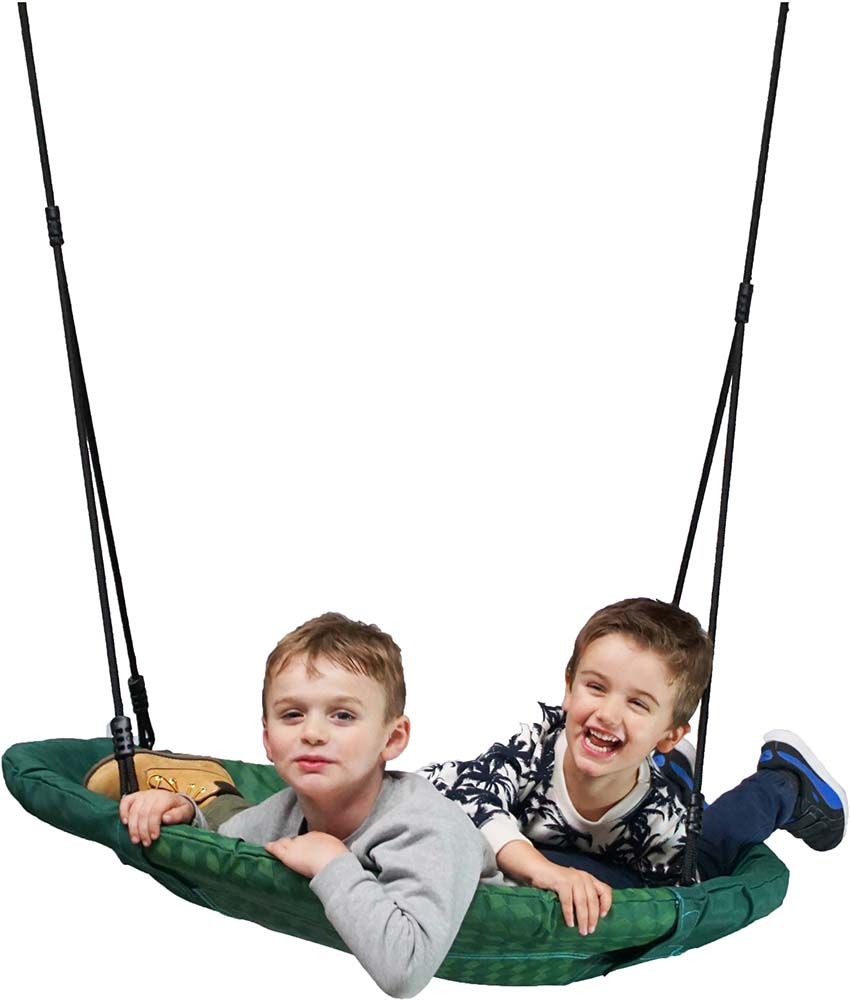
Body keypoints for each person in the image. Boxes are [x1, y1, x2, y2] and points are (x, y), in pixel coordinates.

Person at [114, 612, 501, 999]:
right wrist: (181, 812)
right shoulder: (284, 810)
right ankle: (204, 791)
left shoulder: (429, 829)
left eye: (343, 715)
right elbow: (221, 847)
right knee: (224, 814)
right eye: (292, 715)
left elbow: (406, 970)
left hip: (499, 897)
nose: (312, 733)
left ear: (393, 738)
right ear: (268, 739)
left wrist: (332, 863)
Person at [419, 597, 847, 937]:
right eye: (595, 687)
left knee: (704, 858)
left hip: (636, 819)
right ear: (568, 688)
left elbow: (678, 890)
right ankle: (673, 772)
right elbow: (473, 804)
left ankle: (783, 784)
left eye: (638, 704)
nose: (607, 714)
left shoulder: (658, 821)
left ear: (669, 734)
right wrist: (547, 872)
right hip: (483, 820)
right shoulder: (532, 750)